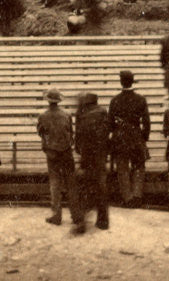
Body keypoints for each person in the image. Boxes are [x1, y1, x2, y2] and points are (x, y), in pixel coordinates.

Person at [108, 70, 150, 208]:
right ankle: (137, 196)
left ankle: (127, 198)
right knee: (139, 166)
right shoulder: (141, 99)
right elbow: (146, 122)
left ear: (121, 82)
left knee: (122, 167)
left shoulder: (115, 100)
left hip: (121, 137)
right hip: (136, 135)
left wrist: (116, 133)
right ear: (133, 81)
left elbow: (110, 123)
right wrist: (144, 137)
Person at [37, 88, 78, 226]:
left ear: (48, 101)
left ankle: (56, 215)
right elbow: (71, 132)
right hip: (66, 151)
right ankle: (76, 215)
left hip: (52, 153)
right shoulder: (67, 114)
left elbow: (40, 132)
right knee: (71, 183)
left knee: (55, 183)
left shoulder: (43, 116)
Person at [73, 92, 111, 233]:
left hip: (86, 156)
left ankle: (81, 220)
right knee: (101, 186)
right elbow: (107, 133)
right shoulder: (103, 112)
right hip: (100, 156)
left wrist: (80, 151)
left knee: (84, 187)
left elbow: (77, 138)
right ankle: (103, 220)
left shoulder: (81, 114)